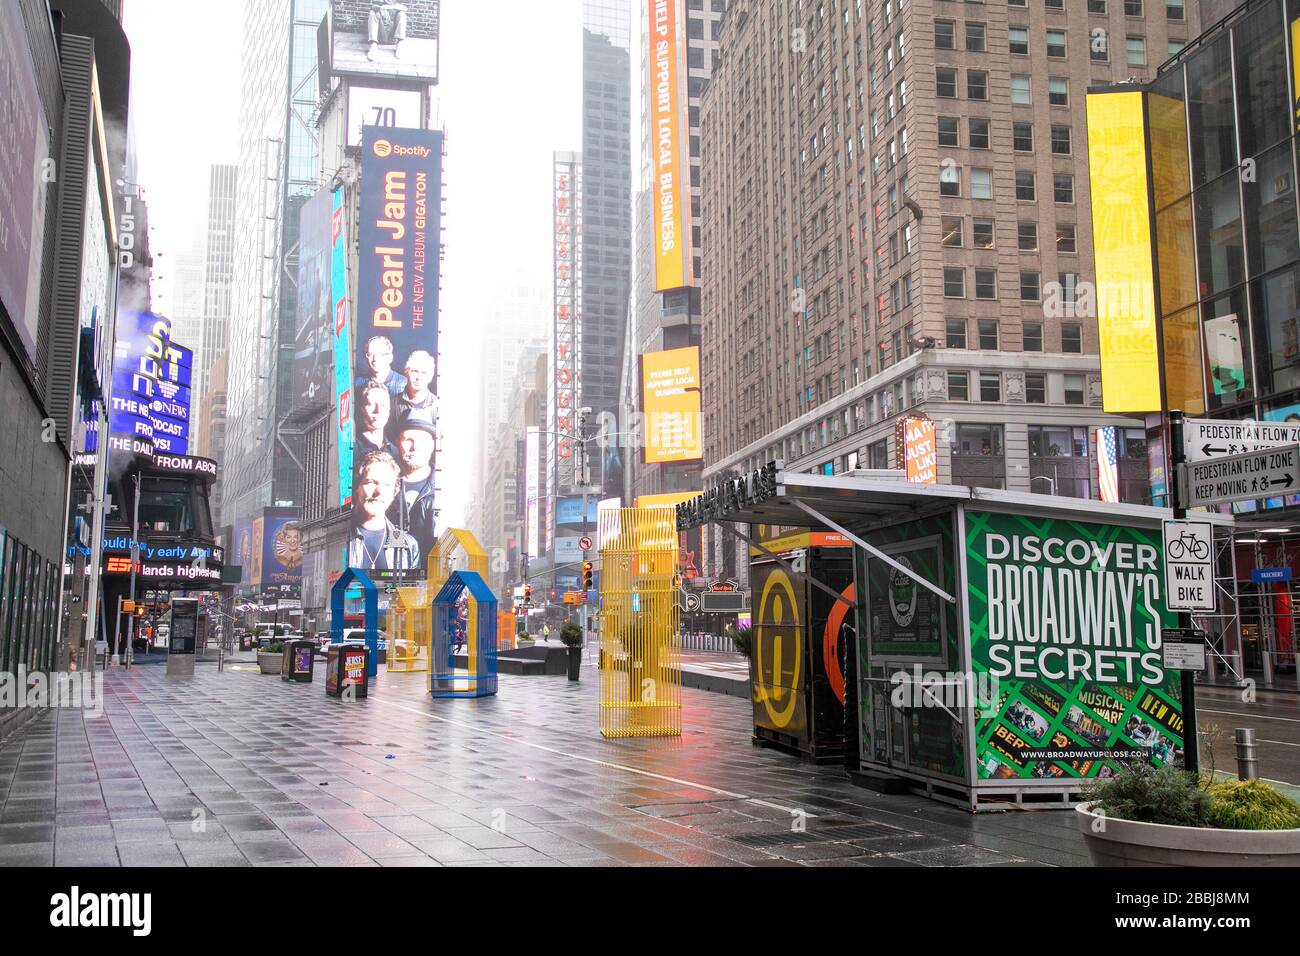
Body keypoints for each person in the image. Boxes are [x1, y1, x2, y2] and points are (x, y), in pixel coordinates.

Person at [348, 451, 421, 571]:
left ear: (394, 492)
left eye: (387, 485)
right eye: (371, 482)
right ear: (356, 488)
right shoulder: (342, 538)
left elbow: (409, 589)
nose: (379, 491)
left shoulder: (407, 544)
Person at [389, 417, 437, 564]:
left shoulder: (444, 489)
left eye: (422, 441)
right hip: (390, 575)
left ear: (432, 445)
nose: (414, 447)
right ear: (397, 442)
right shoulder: (383, 485)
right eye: (409, 440)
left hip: (431, 579)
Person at [389, 350, 436, 437]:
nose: (419, 377)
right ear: (406, 373)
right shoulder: (392, 405)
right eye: (415, 371)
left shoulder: (437, 405)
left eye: (424, 373)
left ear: (430, 377)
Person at [355, 382, 397, 460]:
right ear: (362, 410)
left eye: (383, 405)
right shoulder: (352, 449)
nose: (377, 410)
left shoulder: (395, 452)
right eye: (371, 404)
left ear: (389, 410)